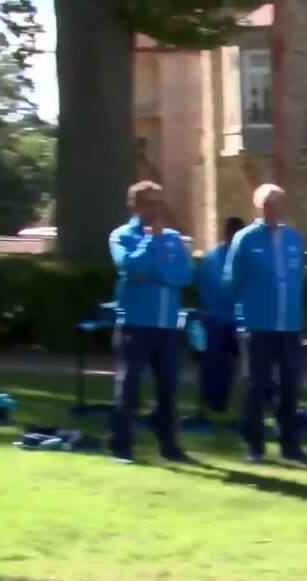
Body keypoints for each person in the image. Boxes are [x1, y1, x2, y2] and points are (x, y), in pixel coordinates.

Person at [224, 184, 307, 466]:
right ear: (257, 207)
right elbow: (232, 281)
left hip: (288, 325)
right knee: (255, 385)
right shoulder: (245, 239)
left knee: (291, 385)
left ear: (283, 206)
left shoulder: (293, 238)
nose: (271, 210)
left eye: (276, 204)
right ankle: (254, 445)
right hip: (257, 325)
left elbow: (297, 276)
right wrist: (246, 311)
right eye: (266, 205)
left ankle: (290, 444)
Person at [108, 180, 194, 464]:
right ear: (135, 205)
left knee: (168, 388)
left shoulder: (173, 238)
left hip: (167, 327)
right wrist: (151, 242)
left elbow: (183, 276)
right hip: (135, 324)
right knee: (128, 386)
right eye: (150, 202)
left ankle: (169, 445)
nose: (157, 208)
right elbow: (131, 267)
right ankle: (121, 446)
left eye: (159, 202)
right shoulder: (121, 236)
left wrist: (155, 272)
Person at [187, 216, 246, 427]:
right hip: (219, 320)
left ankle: (262, 401)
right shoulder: (213, 260)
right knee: (214, 348)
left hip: (244, 321)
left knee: (259, 348)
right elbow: (218, 293)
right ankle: (214, 401)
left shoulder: (248, 259)